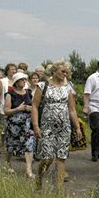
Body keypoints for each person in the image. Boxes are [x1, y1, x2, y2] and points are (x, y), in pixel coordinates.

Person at [32, 61, 82, 190]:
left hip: (64, 127)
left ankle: (58, 190)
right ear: (54, 71)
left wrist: (77, 127)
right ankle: (39, 180)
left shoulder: (68, 87)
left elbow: (72, 109)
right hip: (47, 127)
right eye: (62, 71)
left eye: (66, 72)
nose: (65, 74)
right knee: (47, 158)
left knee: (61, 157)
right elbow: (35, 106)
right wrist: (36, 126)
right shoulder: (43, 86)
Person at [4, 73, 35, 177]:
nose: (24, 82)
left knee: (29, 144)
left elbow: (32, 105)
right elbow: (6, 111)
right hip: (14, 124)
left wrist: (30, 108)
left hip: (27, 123)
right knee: (11, 146)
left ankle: (28, 170)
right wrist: (19, 109)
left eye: (25, 80)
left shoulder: (28, 93)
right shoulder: (10, 94)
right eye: (22, 80)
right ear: (16, 82)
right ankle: (7, 163)